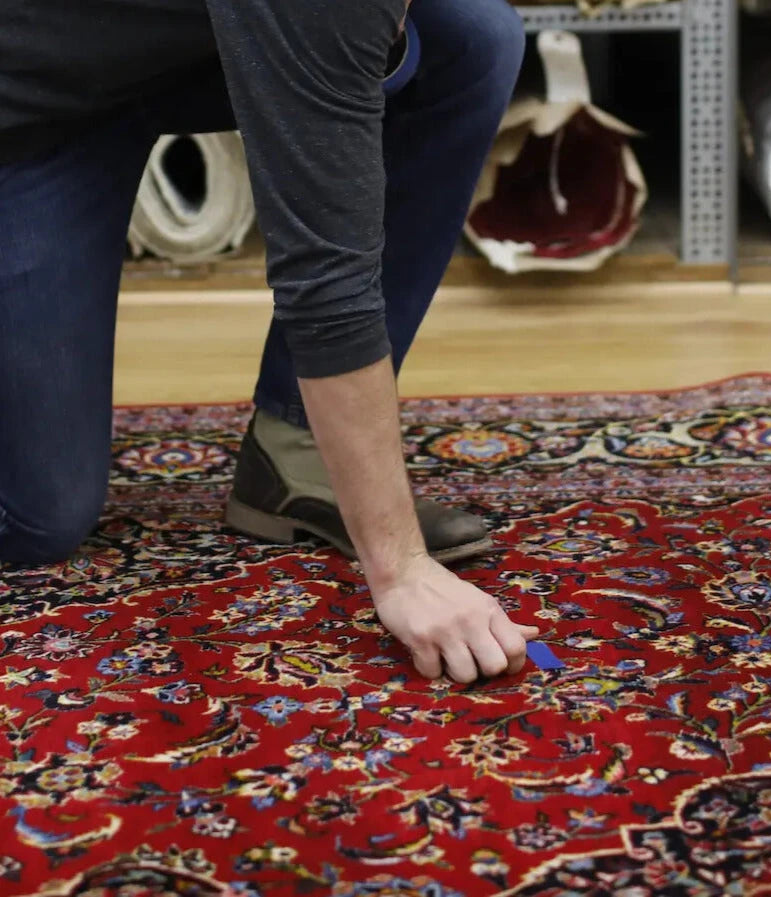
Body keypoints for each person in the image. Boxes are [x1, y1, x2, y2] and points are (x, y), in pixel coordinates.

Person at [0, 0, 540, 682]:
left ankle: (293, 451)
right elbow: (324, 275)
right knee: (36, 516)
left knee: (468, 35)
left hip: (144, 50)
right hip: (25, 110)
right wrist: (401, 569)